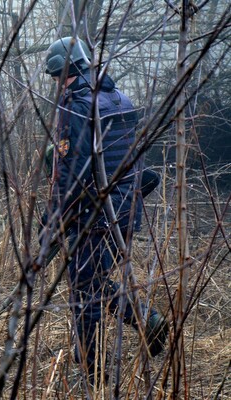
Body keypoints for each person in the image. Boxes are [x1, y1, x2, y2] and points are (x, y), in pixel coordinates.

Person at [41, 37, 168, 383]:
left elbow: (70, 175)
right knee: (92, 282)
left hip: (93, 214)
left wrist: (50, 222)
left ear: (65, 73)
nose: (56, 85)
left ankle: (93, 371)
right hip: (126, 209)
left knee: (84, 288)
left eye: (56, 78)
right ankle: (145, 322)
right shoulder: (118, 98)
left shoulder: (75, 106)